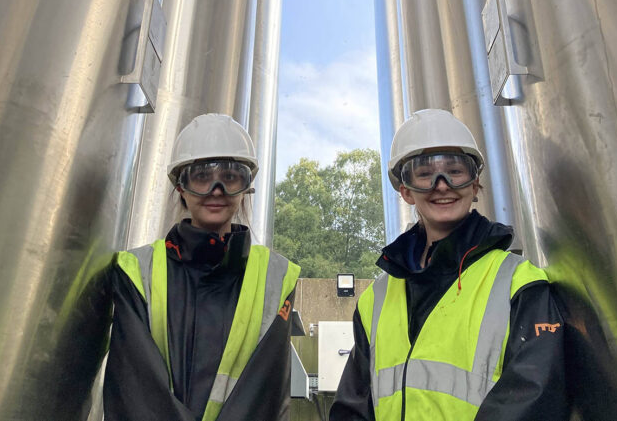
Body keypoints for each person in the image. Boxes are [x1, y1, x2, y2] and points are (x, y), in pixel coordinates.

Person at [329, 109, 568, 420]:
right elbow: (353, 407)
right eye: (425, 174)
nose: (441, 185)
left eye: (455, 172)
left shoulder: (519, 283)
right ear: (406, 191)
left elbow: (535, 397)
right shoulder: (375, 300)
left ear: (475, 184)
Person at [103, 113, 300, 421]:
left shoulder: (278, 277)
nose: (216, 189)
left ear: (246, 187)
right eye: (201, 177)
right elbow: (135, 392)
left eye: (231, 177)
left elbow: (264, 396)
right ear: (180, 186)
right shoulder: (134, 273)